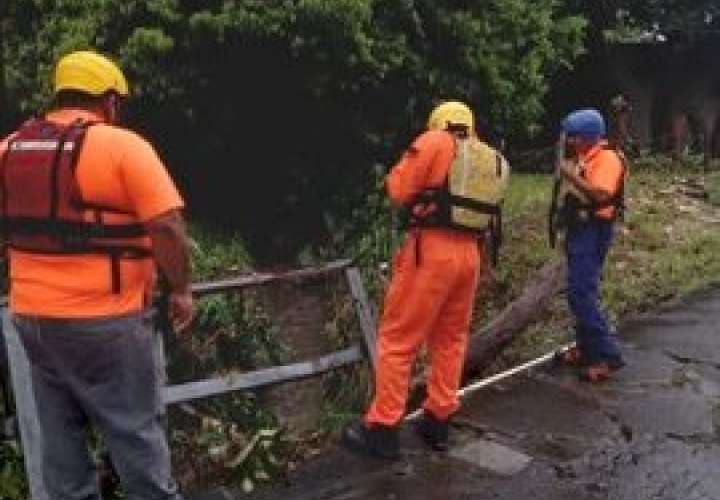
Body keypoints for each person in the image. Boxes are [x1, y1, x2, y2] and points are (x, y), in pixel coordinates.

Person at [0, 50, 193, 499]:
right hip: (107, 321)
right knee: (134, 432)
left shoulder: (9, 150)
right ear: (109, 100)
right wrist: (181, 289)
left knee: (60, 440)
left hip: (32, 320)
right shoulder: (122, 147)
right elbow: (166, 226)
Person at [343, 101, 508, 459]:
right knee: (450, 339)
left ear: (440, 122)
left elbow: (397, 190)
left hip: (431, 252)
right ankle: (438, 419)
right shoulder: (490, 156)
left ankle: (383, 429)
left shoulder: (436, 141)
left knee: (398, 339)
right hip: (470, 256)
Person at [556, 108, 625, 382]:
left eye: (573, 137)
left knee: (581, 292)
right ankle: (586, 348)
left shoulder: (607, 159)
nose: (570, 142)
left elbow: (601, 193)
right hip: (580, 228)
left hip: (594, 230)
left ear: (588, 136)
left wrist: (569, 175)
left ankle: (606, 355)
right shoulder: (586, 157)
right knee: (577, 290)